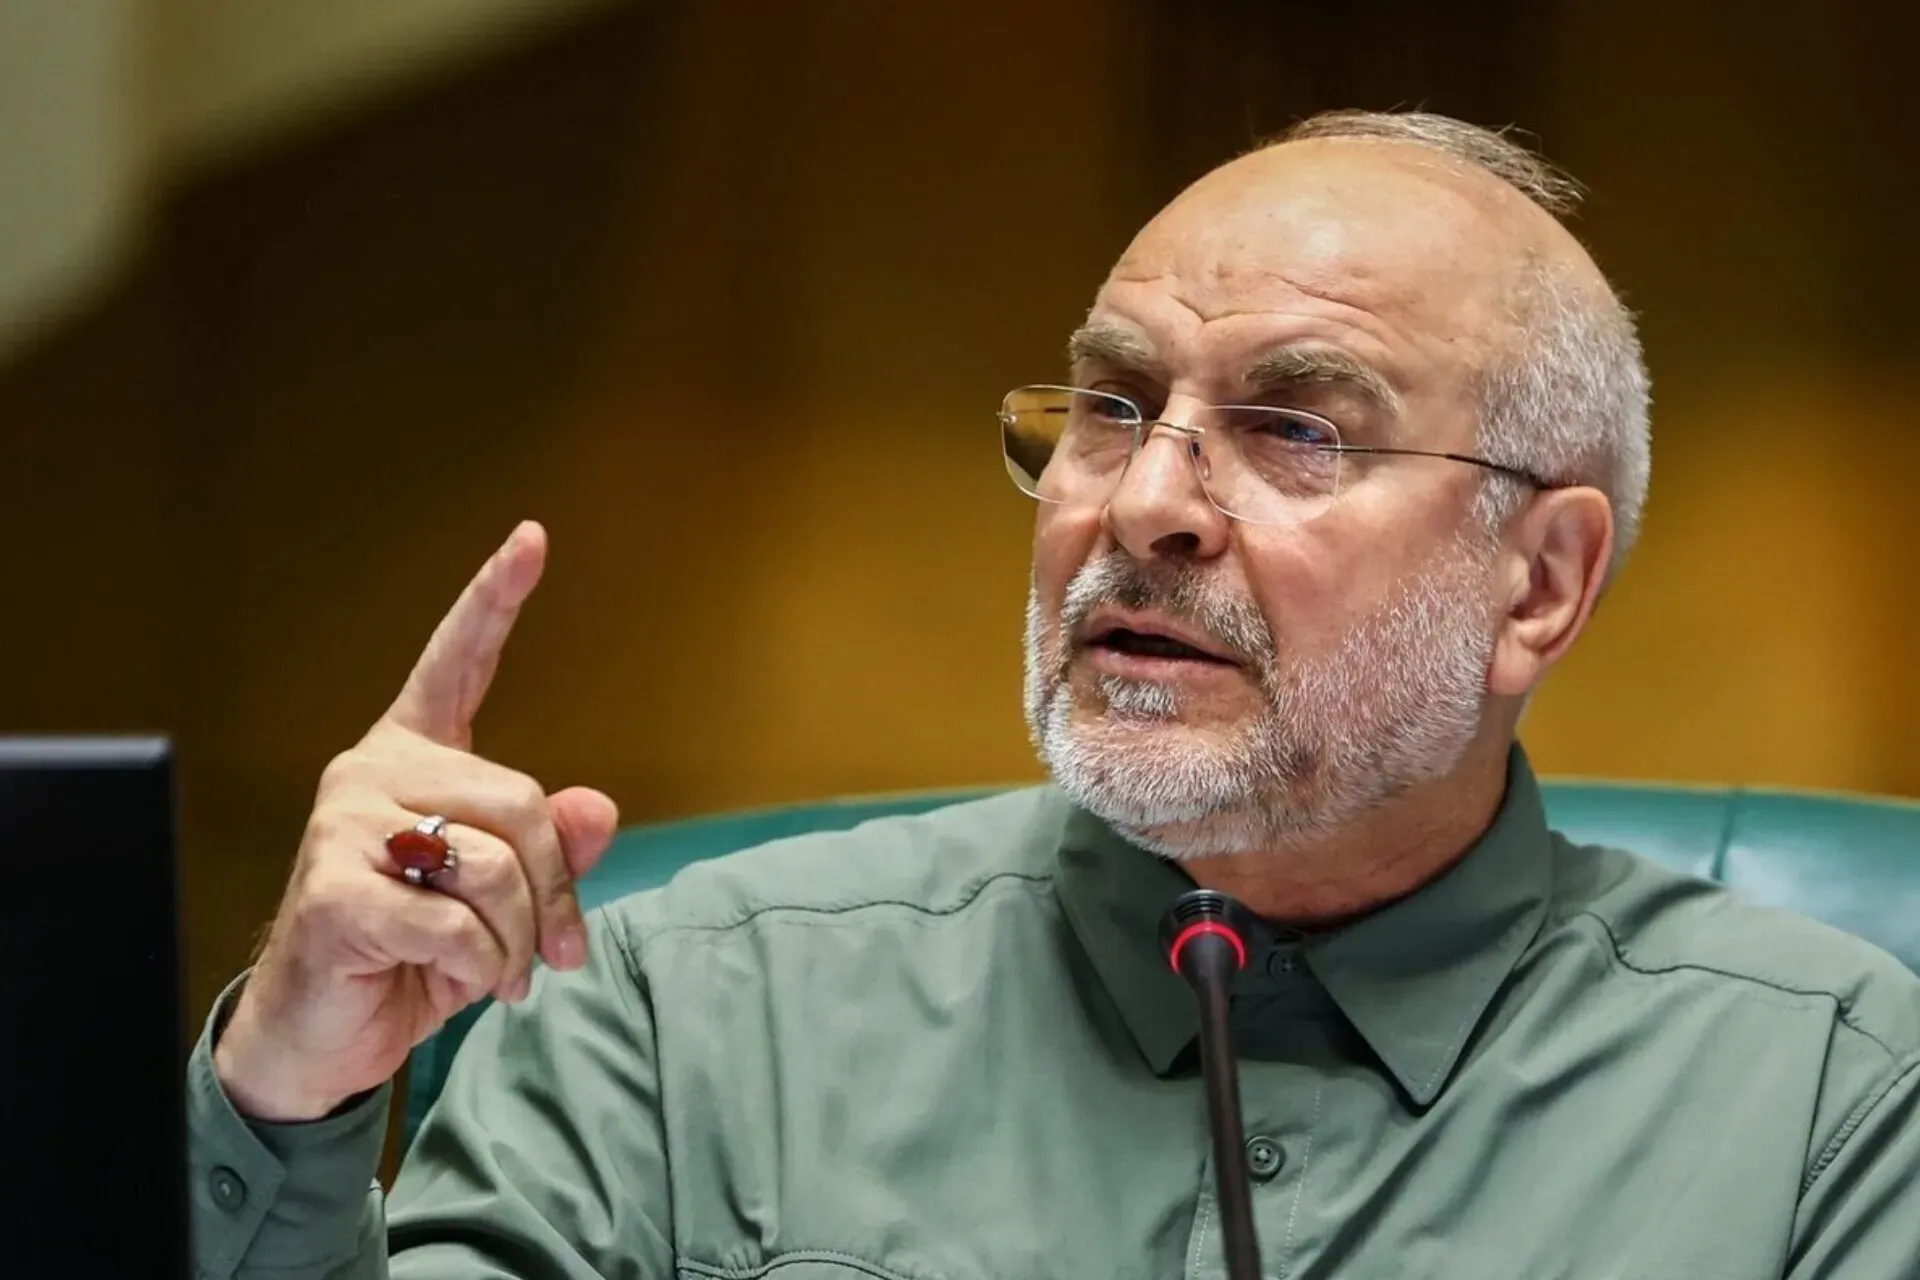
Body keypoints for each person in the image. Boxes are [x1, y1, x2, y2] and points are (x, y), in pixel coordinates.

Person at [187, 110, 1920, 1279]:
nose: (1145, 502)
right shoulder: (670, 1010)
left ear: (1537, 580)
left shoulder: (1831, 1103)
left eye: (1295, 428)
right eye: (1112, 406)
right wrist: (291, 1094)